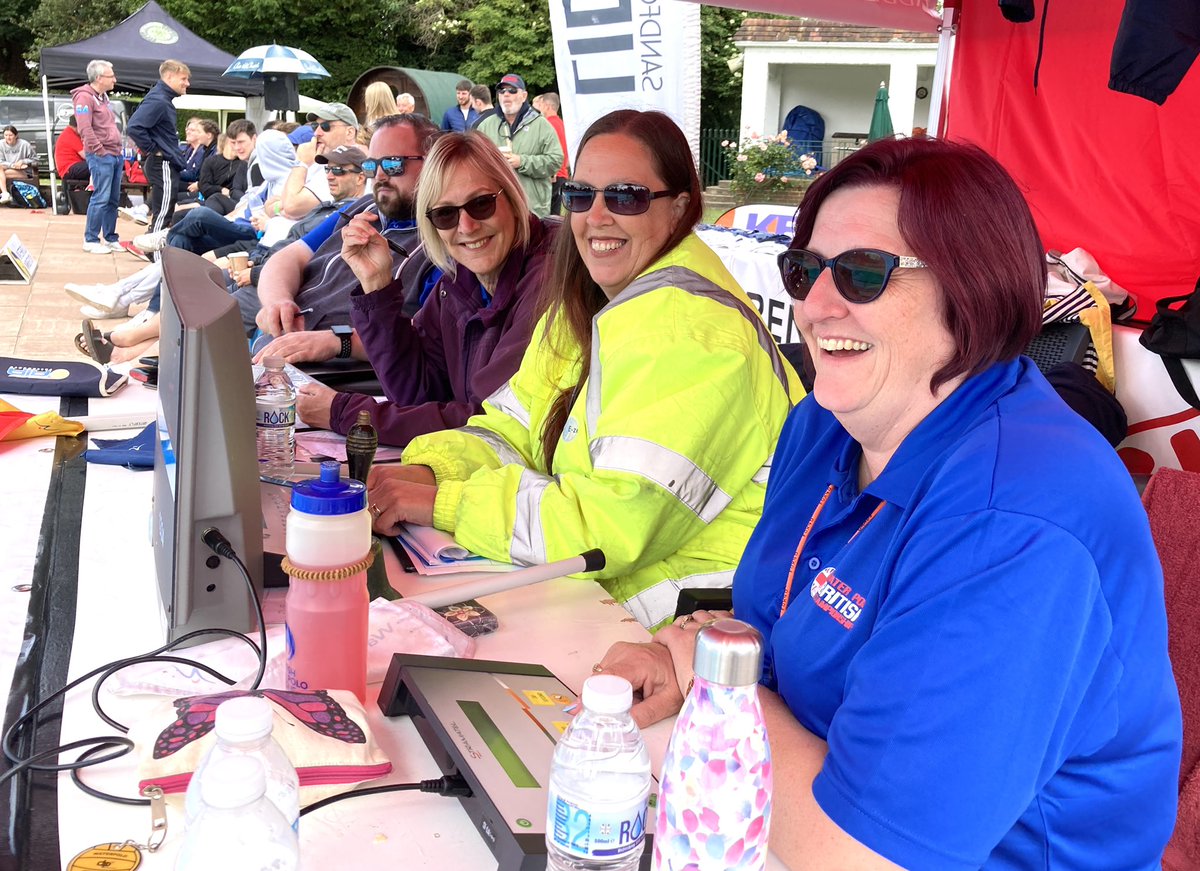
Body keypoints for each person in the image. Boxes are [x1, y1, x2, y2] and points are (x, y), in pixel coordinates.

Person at [597, 136, 1183, 868]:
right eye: (803, 270)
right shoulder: (827, 421)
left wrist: (715, 683)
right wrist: (678, 652)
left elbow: (863, 853)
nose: (816, 304)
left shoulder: (1016, 518)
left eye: (864, 274)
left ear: (972, 288)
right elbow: (781, 616)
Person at [366, 110, 803, 629]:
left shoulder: (693, 332)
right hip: (595, 606)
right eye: (580, 195)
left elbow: (608, 526)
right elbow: (513, 428)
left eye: (625, 197)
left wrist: (446, 504)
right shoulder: (585, 304)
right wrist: (429, 470)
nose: (596, 216)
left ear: (680, 207)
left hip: (691, 638)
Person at [294, 131, 556, 448]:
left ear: (512, 200)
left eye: (481, 204)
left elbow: (490, 420)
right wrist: (376, 285)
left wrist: (347, 414)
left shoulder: (548, 279)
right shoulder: (460, 281)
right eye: (445, 213)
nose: (466, 226)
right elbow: (415, 392)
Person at [250, 113, 440, 344]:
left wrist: (338, 343)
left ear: (433, 162)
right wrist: (277, 302)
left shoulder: (446, 237)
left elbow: (429, 337)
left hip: (344, 369)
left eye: (393, 164)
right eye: (371, 165)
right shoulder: (363, 208)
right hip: (289, 337)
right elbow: (290, 256)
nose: (379, 176)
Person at [475, 74, 562, 217]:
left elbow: (555, 161)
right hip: (497, 210)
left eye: (512, 90)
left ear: (523, 96)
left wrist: (522, 162)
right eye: (502, 91)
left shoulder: (541, 125)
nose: (506, 95)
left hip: (533, 210)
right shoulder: (485, 126)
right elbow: (475, 162)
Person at [126, 60, 191, 236]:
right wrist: (154, 149)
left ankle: (152, 249)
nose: (187, 83)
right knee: (163, 213)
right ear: (169, 76)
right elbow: (134, 127)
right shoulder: (159, 100)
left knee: (164, 210)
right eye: (183, 78)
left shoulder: (161, 98)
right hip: (162, 162)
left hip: (161, 162)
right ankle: (154, 253)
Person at [533, 92, 568, 215]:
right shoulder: (562, 124)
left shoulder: (547, 125)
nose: (539, 108)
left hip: (551, 176)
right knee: (555, 218)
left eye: (541, 105)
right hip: (562, 175)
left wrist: (551, 172)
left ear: (547, 106)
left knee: (543, 216)